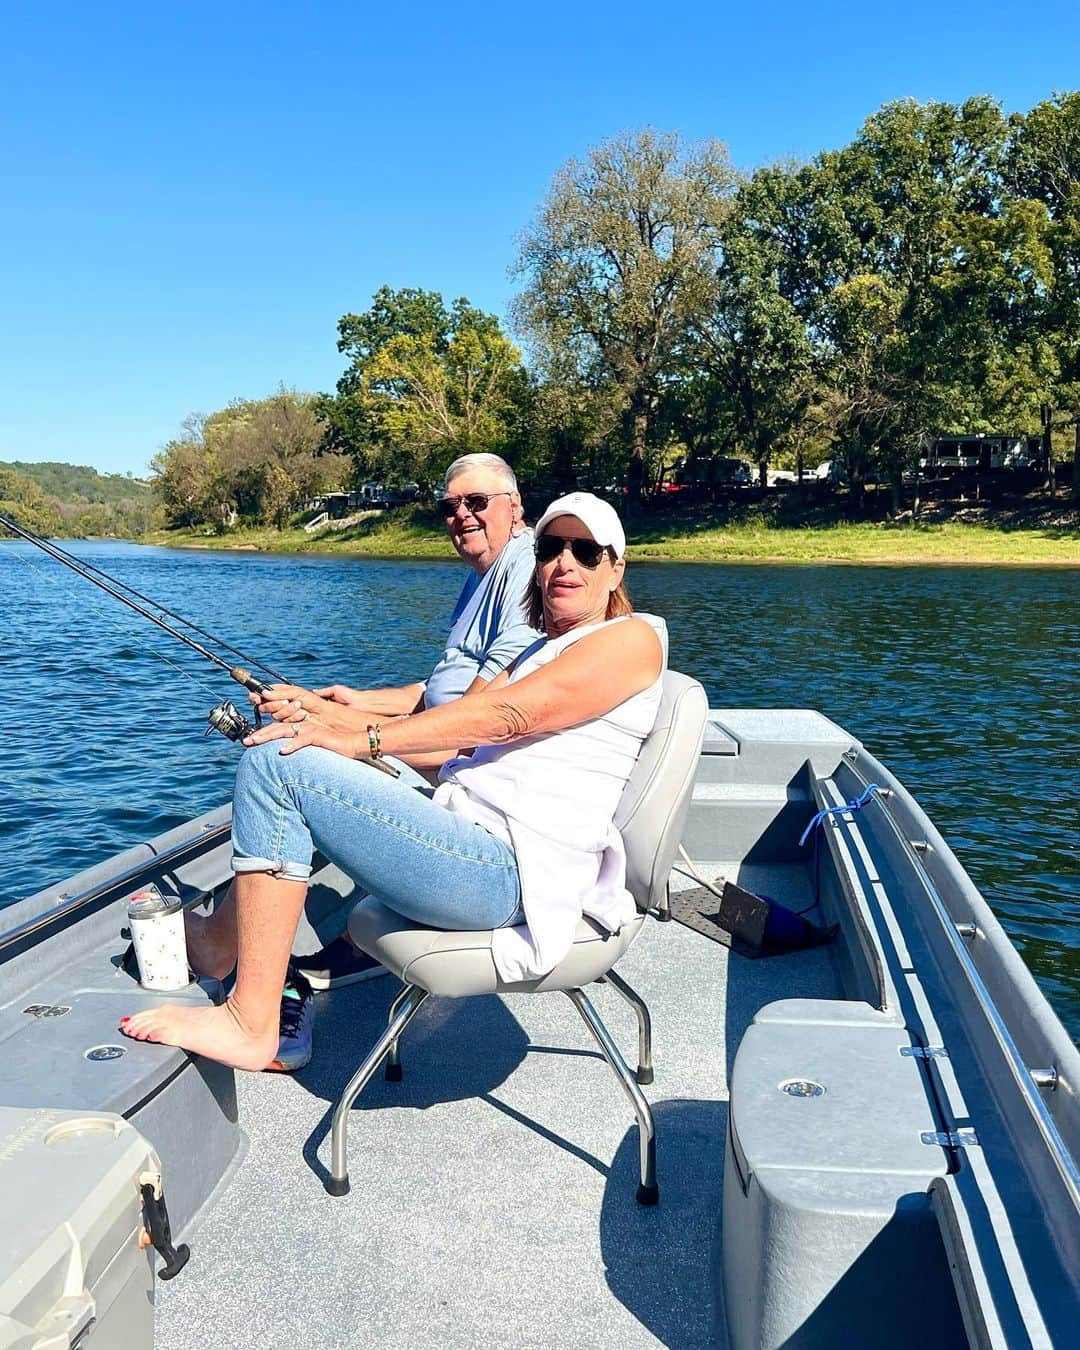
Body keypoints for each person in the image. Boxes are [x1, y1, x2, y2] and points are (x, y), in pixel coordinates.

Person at [120, 492, 665, 1071]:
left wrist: (361, 742)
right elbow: (451, 742)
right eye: (553, 547)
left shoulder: (632, 638)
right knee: (291, 747)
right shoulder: (537, 647)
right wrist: (318, 716)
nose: (565, 563)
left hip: (510, 874)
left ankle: (250, 1023)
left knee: (278, 764)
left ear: (616, 568)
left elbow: (510, 717)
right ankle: (220, 949)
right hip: (465, 837)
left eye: (586, 551)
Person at [282, 451, 540, 992]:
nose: (462, 516)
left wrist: (343, 729)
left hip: (461, 768)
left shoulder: (525, 569)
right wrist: (354, 701)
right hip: (440, 745)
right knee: (303, 736)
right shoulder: (482, 574)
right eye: (450, 507)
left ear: (515, 508)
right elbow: (434, 690)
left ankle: (250, 952)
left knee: (290, 756)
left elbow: (473, 723)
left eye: (477, 502)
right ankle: (357, 929)